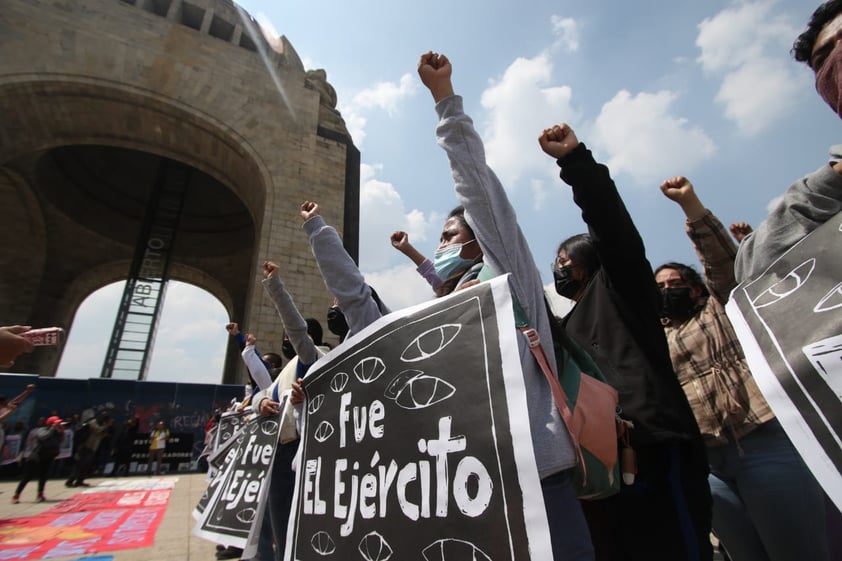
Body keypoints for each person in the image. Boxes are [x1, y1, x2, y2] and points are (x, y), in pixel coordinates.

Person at [416, 51, 592, 560]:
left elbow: (480, 192)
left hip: (538, 483)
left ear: (481, 242)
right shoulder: (441, 310)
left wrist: (445, 101)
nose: (442, 246)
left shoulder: (508, 279)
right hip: (467, 494)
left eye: (452, 236)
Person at [538, 123, 711, 561]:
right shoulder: (566, 322)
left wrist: (576, 163)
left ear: (587, 259)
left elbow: (611, 226)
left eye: (564, 260)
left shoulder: (621, 287)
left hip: (652, 447)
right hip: (599, 466)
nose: (558, 268)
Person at [657, 176, 829, 561]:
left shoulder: (723, 307)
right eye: (660, 286)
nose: (667, 290)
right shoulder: (659, 336)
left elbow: (720, 261)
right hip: (710, 464)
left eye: (675, 282)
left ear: (696, 288)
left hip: (763, 441)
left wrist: (692, 207)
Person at [735, 0, 842, 281]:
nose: (839, 55)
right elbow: (751, 268)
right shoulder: (830, 187)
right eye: (825, 57)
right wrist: (833, 181)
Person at [250, 260, 331, 561]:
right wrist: (263, 404)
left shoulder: (316, 358)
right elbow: (261, 395)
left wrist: (276, 287)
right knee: (281, 532)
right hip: (279, 457)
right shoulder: (287, 368)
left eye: (291, 336)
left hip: (305, 453)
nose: (288, 339)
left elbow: (297, 331)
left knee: (302, 535)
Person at [12, 416, 65, 503]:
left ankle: (40, 494)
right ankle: (16, 495)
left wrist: (62, 431)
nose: (58, 425)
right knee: (27, 476)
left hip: (47, 457)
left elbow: (60, 441)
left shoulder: (57, 432)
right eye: (57, 423)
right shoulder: (42, 430)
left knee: (43, 476)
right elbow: (43, 437)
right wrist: (52, 429)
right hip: (36, 457)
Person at [66, 412, 112, 487]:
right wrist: (106, 426)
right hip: (85, 446)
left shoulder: (102, 425)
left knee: (86, 465)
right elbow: (97, 430)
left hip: (93, 447)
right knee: (80, 465)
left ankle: (80, 481)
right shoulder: (93, 422)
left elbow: (102, 435)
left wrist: (105, 431)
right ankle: (70, 481)